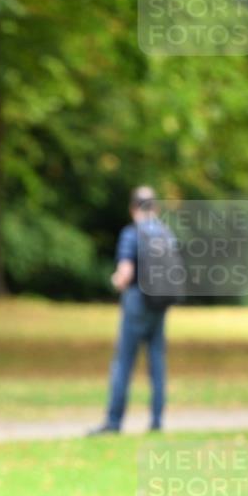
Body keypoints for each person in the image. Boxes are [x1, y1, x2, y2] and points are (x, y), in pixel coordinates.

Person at [90, 186, 170, 434]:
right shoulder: (166, 234)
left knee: (124, 362)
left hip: (136, 302)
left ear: (133, 208)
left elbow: (125, 274)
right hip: (159, 304)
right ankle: (157, 420)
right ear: (155, 207)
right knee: (157, 362)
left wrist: (115, 281)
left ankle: (114, 421)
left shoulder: (131, 233)